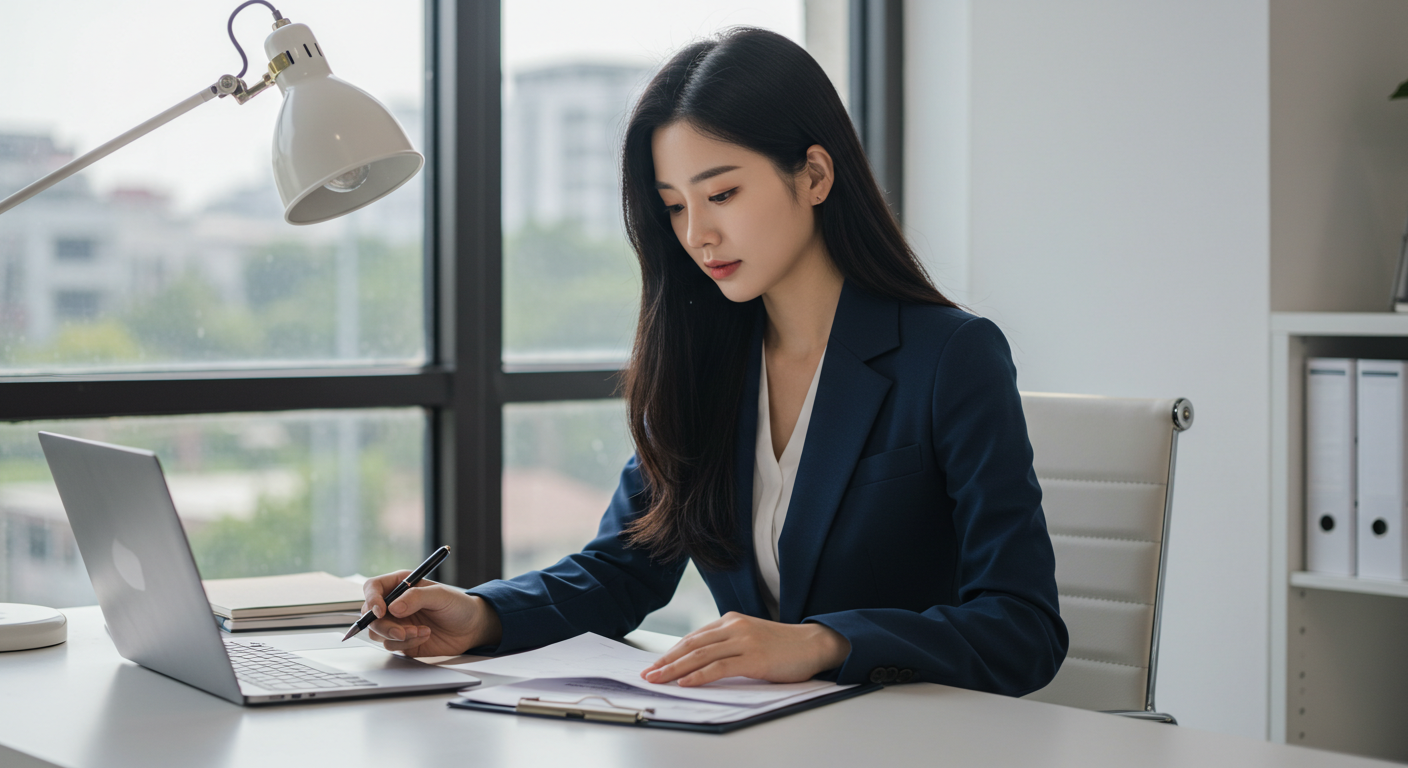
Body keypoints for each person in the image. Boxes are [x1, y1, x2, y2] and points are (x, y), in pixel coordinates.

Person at [360, 27, 1068, 695]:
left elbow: (1023, 626)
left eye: (723, 193)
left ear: (815, 174)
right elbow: (621, 570)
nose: (699, 235)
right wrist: (479, 615)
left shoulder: (950, 356)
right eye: (674, 207)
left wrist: (826, 642)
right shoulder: (704, 361)